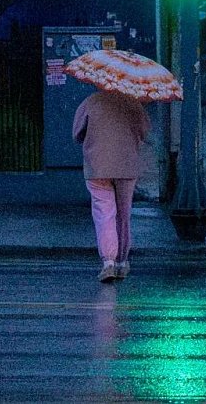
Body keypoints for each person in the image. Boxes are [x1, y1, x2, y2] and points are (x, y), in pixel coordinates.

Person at [72, 91, 151, 283]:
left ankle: (108, 262)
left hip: (97, 165)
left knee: (104, 212)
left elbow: (77, 134)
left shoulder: (90, 102)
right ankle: (122, 262)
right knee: (124, 214)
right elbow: (144, 132)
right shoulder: (133, 103)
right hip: (126, 164)